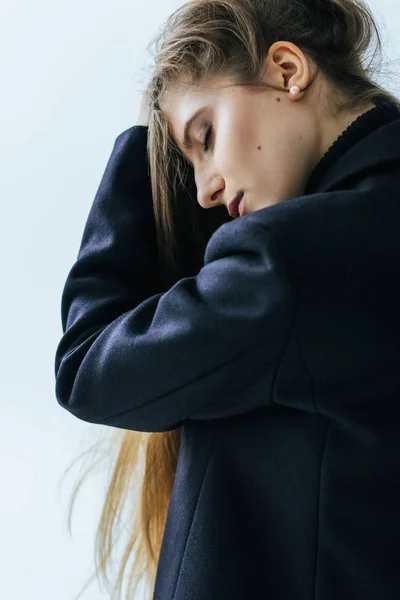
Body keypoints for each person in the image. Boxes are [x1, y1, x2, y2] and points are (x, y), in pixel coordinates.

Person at [54, 1, 400, 599]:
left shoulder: (282, 268)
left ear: (288, 70)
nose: (206, 190)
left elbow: (86, 366)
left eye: (205, 136)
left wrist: (139, 146)